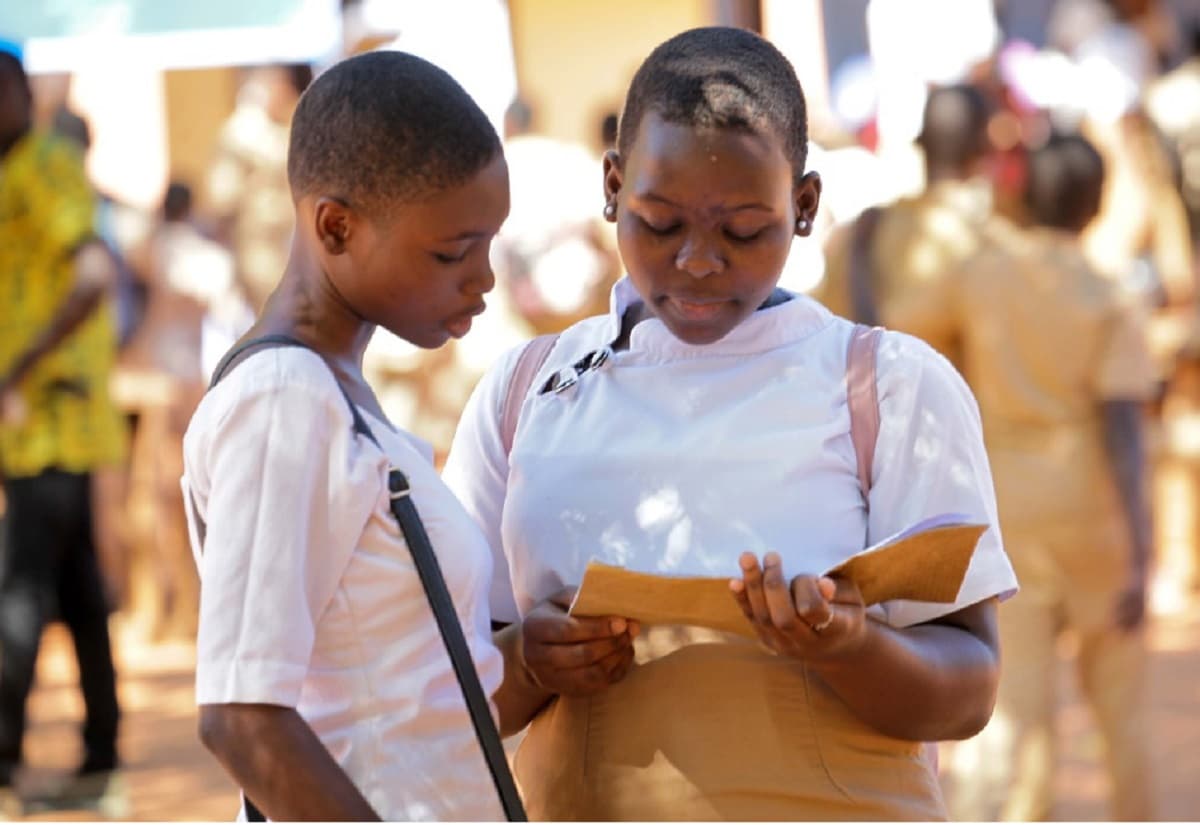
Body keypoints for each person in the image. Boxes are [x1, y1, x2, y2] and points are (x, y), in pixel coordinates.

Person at [443, 26, 1018, 820]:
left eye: (744, 229)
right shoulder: (528, 392)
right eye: (659, 222)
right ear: (611, 186)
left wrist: (851, 647)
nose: (699, 261)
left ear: (805, 205)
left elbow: (968, 687)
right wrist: (532, 664)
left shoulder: (884, 387)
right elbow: (442, 695)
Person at [181, 51, 537, 820]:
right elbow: (242, 717)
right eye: (452, 252)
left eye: (488, 245)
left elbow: (396, 702)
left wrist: (532, 660)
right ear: (336, 226)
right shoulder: (283, 400)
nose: (483, 279)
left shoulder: (337, 397)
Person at [935, 133, 1157, 821]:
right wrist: (1146, 553)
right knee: (1121, 709)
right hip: (1096, 514)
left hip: (1006, 514)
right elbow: (1124, 431)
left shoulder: (980, 274)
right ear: (1094, 207)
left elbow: (903, 332)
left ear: (1026, 195)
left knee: (1011, 709)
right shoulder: (1112, 293)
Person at [0, 50, 127, 815]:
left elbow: (93, 274)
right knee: (79, 594)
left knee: (21, 594)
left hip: (52, 420)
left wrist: (19, 369)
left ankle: (5, 753)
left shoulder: (45, 163)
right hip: (42, 427)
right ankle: (101, 761)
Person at [812, 84, 998, 368]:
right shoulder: (991, 245)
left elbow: (826, 327)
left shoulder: (864, 228)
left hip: (865, 405)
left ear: (922, 146)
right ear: (983, 151)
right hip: (950, 408)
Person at [205, 63, 312, 315]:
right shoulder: (243, 132)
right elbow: (221, 198)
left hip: (291, 242)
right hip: (258, 244)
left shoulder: (286, 127)